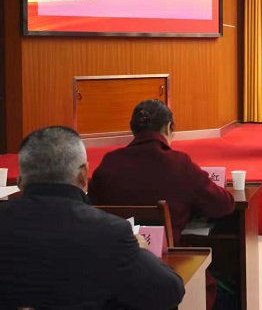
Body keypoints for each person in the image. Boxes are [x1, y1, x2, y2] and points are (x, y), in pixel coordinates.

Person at [0, 126, 184, 310]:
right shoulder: (110, 233)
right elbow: (169, 291)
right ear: (83, 175)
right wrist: (141, 251)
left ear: (20, 182)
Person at [89, 99, 236, 310]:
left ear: (133, 129)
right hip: (168, 269)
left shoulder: (109, 163)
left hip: (114, 271)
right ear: (168, 128)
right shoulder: (179, 163)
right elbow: (223, 205)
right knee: (229, 293)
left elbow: (94, 206)